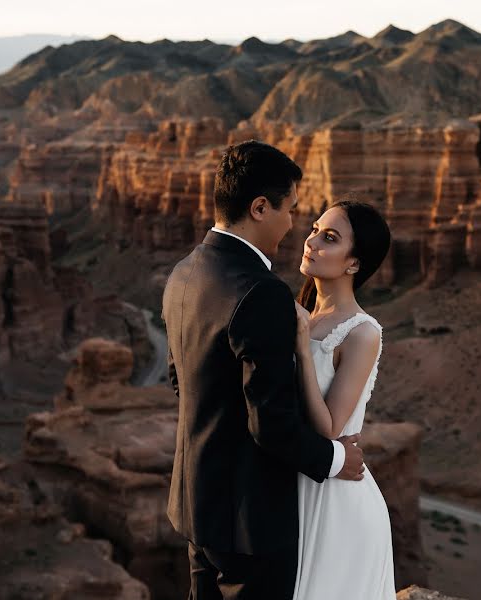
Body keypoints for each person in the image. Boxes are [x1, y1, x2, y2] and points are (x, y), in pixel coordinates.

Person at [161, 140, 366, 600]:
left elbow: (183, 382)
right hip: (250, 522)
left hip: (196, 505)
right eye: (289, 209)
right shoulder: (262, 292)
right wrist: (337, 460)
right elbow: (270, 423)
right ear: (259, 207)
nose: (293, 224)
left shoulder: (183, 273)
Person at [291, 200, 396, 599]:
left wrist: (302, 349)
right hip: (296, 480)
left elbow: (330, 427)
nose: (312, 241)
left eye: (329, 238)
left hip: (336, 500)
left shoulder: (362, 333)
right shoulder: (302, 314)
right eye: (315, 229)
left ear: (354, 264)